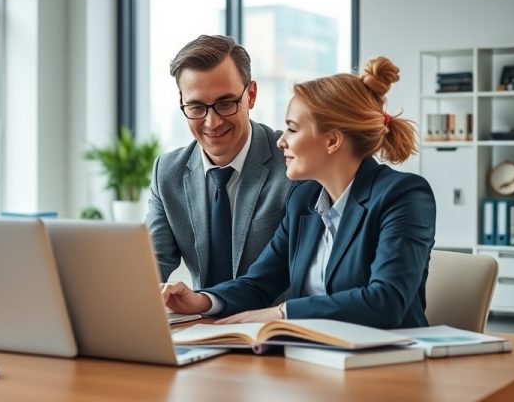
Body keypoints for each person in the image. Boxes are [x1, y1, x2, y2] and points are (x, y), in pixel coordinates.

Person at [161, 56, 436, 329]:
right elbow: (258, 284)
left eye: (292, 129)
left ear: (332, 140)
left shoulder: (403, 196)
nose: (281, 141)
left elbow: (386, 301)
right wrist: (202, 300)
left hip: (388, 352)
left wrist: (283, 313)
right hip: (313, 350)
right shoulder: (303, 200)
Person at [146, 35, 294, 290]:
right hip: (199, 314)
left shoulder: (292, 161)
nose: (212, 123)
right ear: (182, 103)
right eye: (196, 107)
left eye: (225, 104)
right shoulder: (167, 173)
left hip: (273, 314)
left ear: (251, 95)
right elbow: (149, 268)